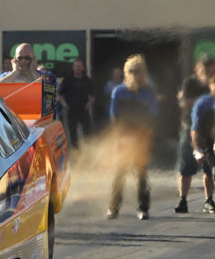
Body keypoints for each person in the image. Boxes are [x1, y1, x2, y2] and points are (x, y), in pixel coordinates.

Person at [106, 54, 158, 221]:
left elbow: (153, 116)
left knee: (142, 174)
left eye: (138, 71)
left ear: (143, 72)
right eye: (131, 71)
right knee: (119, 173)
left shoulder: (149, 92)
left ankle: (143, 208)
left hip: (141, 136)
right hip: (123, 137)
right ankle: (113, 208)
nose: (135, 74)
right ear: (126, 72)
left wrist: (142, 136)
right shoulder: (119, 91)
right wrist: (122, 137)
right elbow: (114, 116)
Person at [173, 54, 215, 213]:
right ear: (197, 67)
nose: (206, 69)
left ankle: (209, 200)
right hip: (189, 127)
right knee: (185, 167)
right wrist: (203, 99)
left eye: (209, 66)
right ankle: (183, 200)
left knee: (209, 167)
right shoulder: (190, 83)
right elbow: (184, 103)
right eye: (203, 66)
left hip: (210, 130)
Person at [187, 74, 215, 213]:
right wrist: (197, 148)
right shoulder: (203, 102)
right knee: (209, 172)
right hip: (206, 140)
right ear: (211, 86)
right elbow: (195, 128)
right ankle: (208, 200)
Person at [58, 59, 95, 148]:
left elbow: (93, 96)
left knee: (87, 132)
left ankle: (89, 151)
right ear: (73, 67)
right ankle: (76, 153)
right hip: (71, 111)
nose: (77, 68)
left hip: (83, 110)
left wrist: (88, 104)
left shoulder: (87, 80)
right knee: (72, 134)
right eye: (76, 66)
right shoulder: (67, 79)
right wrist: (64, 104)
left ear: (83, 68)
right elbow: (59, 93)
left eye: (79, 66)